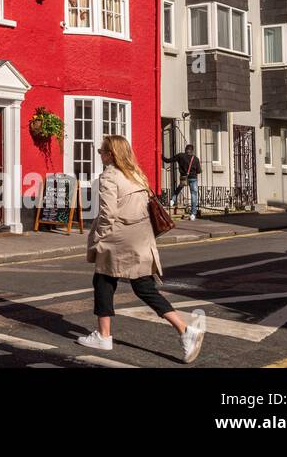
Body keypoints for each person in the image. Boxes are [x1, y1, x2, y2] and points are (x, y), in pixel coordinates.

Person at [78, 135, 207, 363]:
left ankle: (184, 330)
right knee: (125, 284)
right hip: (140, 237)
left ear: (110, 154)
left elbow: (108, 215)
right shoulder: (137, 174)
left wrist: (97, 238)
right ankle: (106, 335)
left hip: (118, 239)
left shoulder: (109, 177)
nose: (99, 154)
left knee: (109, 282)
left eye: (101, 151)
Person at [162, 143, 201, 220]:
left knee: (179, 187)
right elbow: (199, 171)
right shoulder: (195, 159)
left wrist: (161, 155)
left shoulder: (180, 156)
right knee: (193, 195)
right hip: (193, 178)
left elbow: (167, 160)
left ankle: (172, 200)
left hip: (184, 177)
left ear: (185, 150)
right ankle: (193, 214)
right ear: (192, 151)